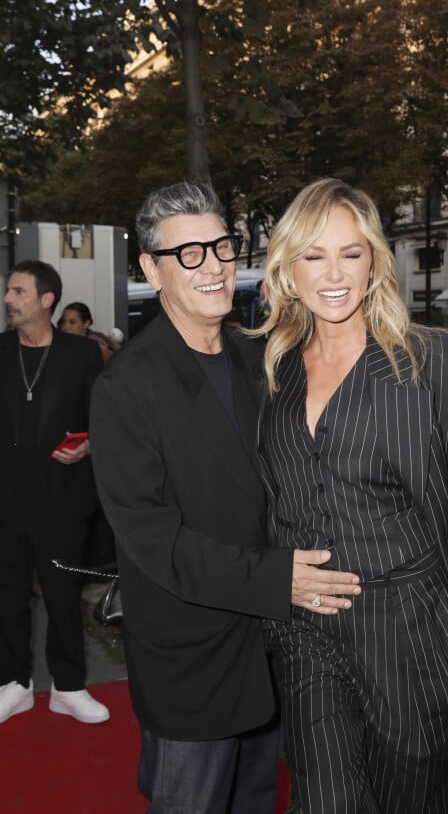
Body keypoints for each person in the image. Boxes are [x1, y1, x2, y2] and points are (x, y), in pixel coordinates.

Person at [89, 180, 361, 813]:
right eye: (188, 254)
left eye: (221, 246)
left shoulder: (257, 356)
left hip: (274, 652)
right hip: (194, 658)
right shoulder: (126, 387)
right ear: (151, 271)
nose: (212, 265)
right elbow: (153, 541)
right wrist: (276, 579)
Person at [254, 178, 448, 813]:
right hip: (307, 634)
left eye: (351, 252)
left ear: (374, 260)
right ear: (289, 268)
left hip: (416, 635)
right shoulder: (274, 367)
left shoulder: (438, 362)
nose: (333, 272)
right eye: (313, 255)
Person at [0, 260, 109, 724]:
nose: (8, 299)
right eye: (9, 291)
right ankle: (14, 684)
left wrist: (88, 445)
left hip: (63, 500)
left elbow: (102, 418)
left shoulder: (80, 354)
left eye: (18, 291)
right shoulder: (0, 349)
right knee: (7, 598)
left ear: (46, 299)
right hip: (6, 501)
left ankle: (68, 688)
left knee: (63, 597)